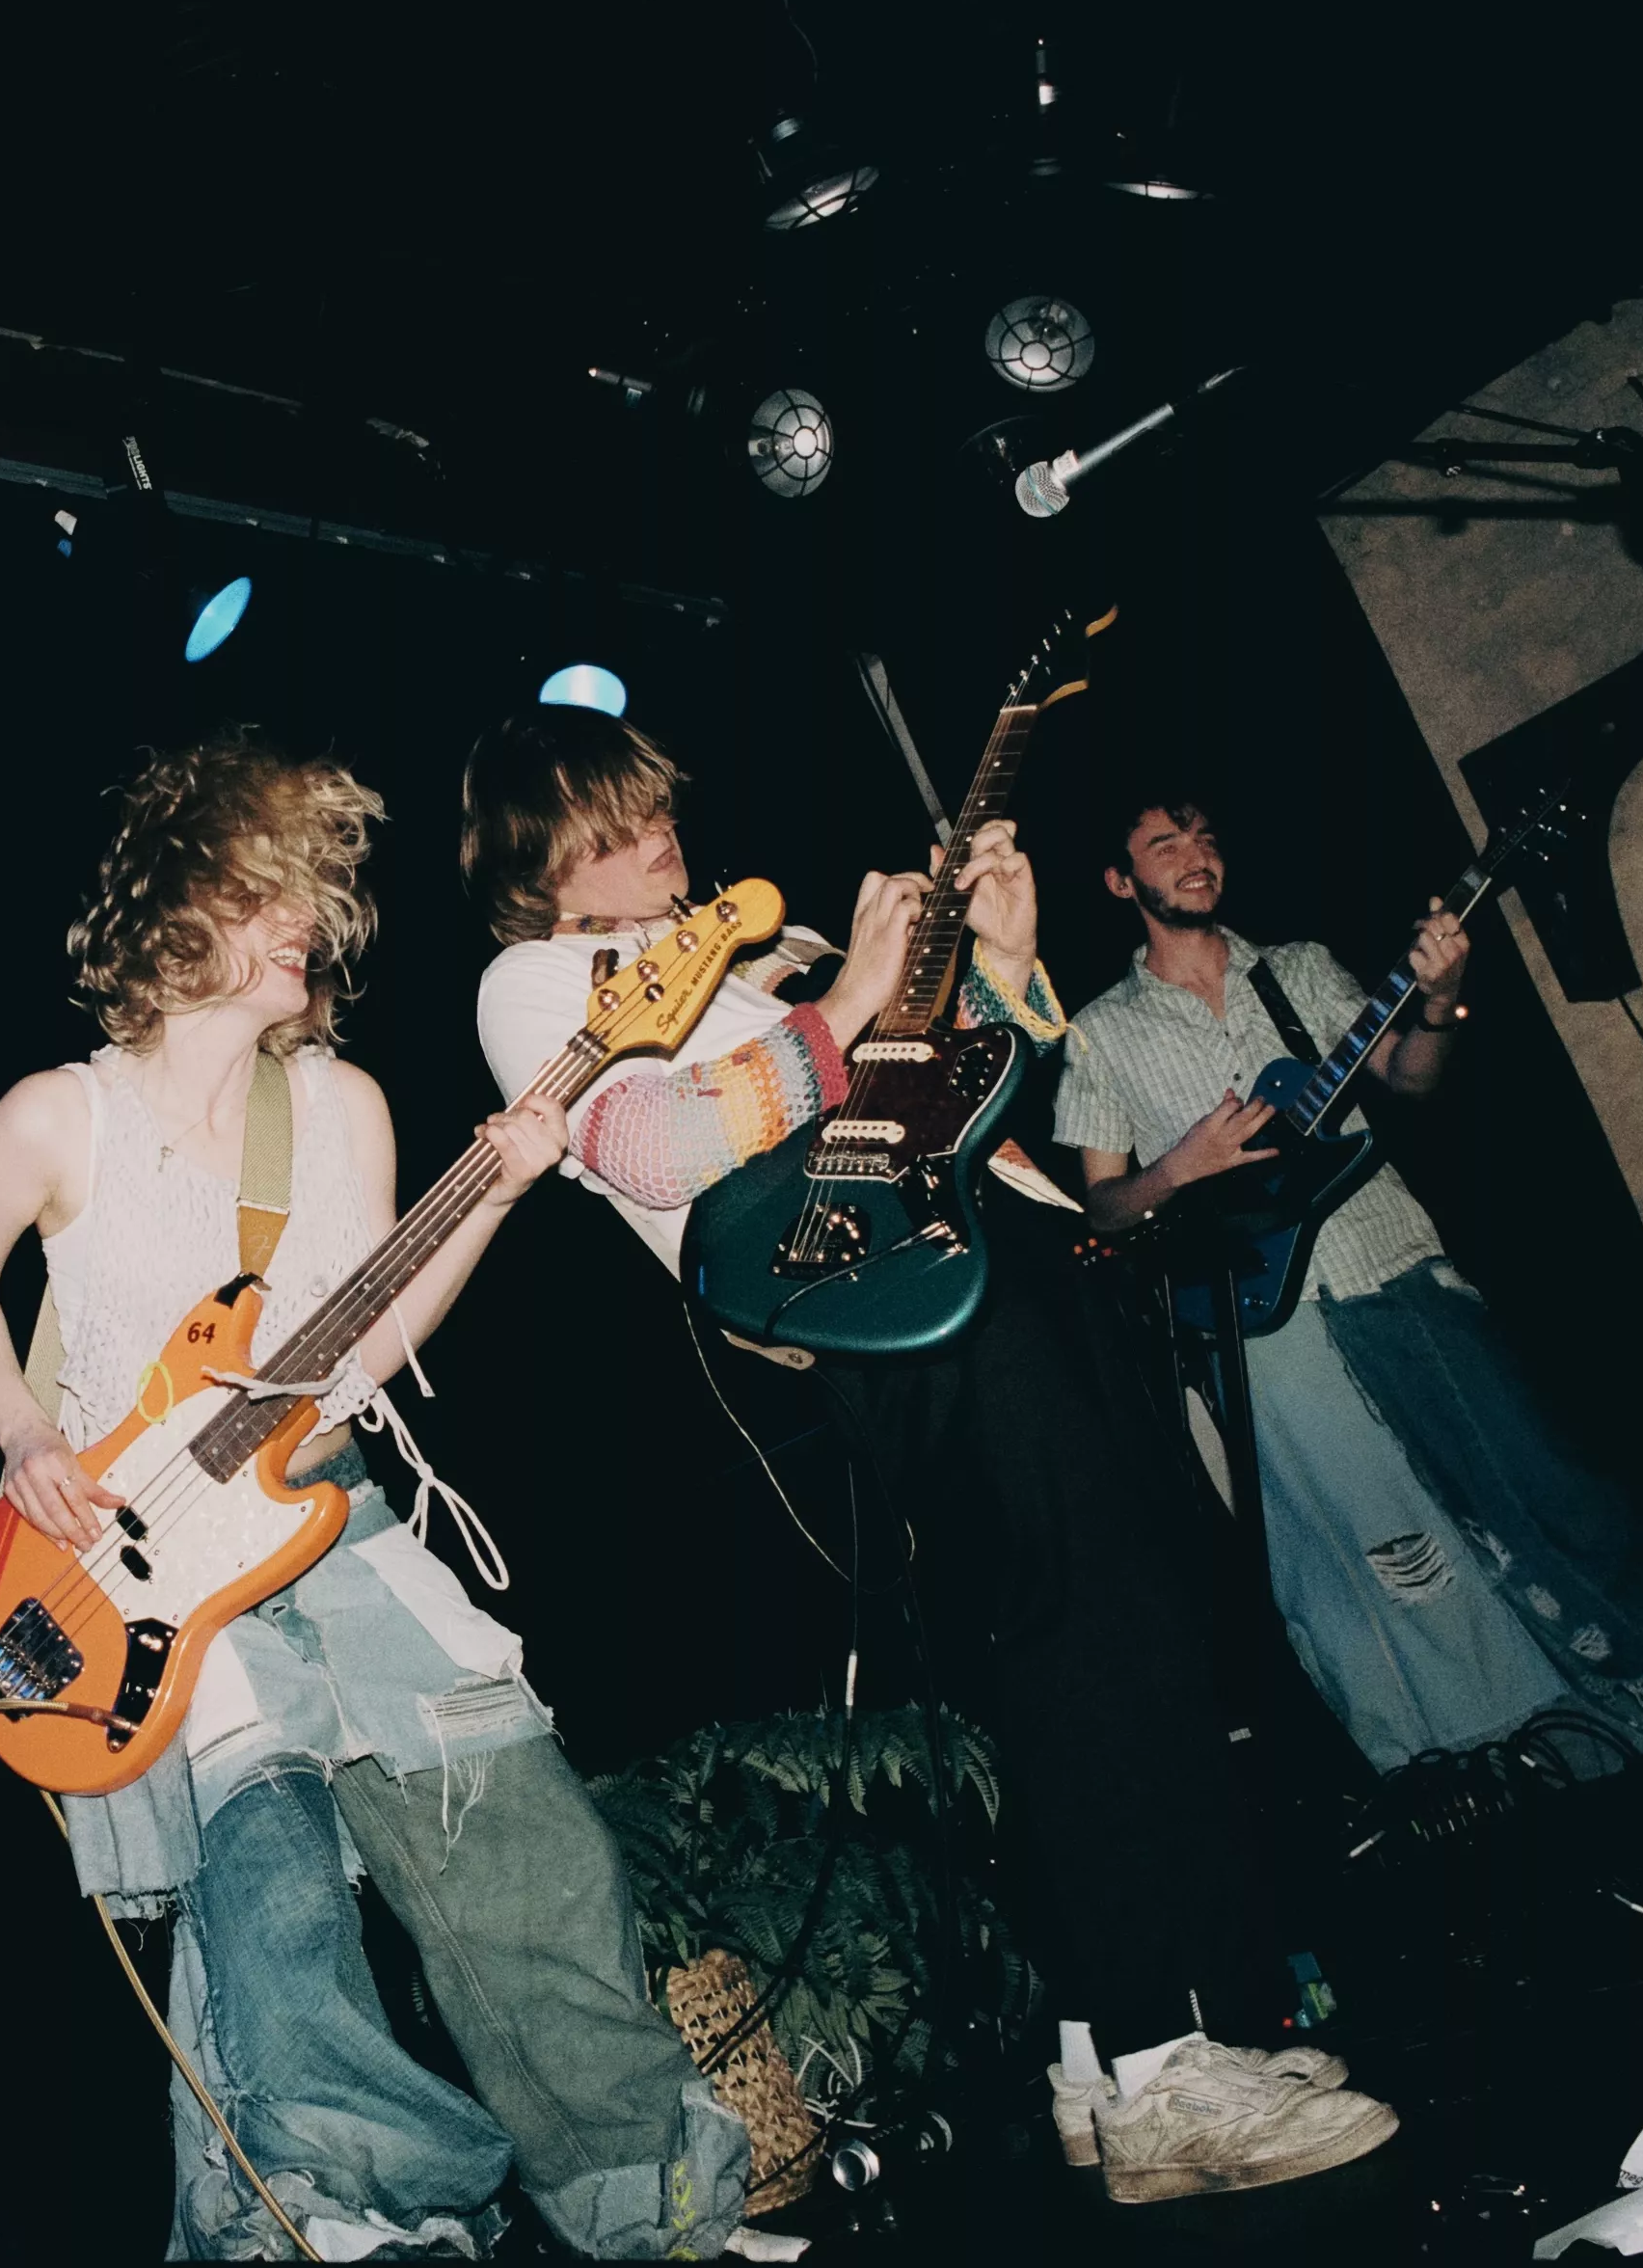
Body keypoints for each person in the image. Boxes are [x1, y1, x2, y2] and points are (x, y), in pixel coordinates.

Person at [464, 706, 1398, 2205]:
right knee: (1082, 1638)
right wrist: (847, 999)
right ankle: (1163, 2070)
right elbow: (650, 1149)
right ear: (542, 853)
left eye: (656, 802)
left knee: (1131, 1629)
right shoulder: (536, 983)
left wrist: (1004, 967)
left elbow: (959, 1089)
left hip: (1011, 1258)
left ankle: (1110, 2053)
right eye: (617, 821)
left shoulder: (742, 962)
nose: (660, 831)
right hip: (896, 1317)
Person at [0, 740, 763, 2258]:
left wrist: (498, 1192)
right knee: (278, 1893)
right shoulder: (57, 1116)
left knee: (528, 1843)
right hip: (144, 1561)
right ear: (180, 900)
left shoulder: (344, 1106)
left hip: (336, 1513)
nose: (304, 917)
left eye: (314, 889)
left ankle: (644, 2199)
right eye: (270, 887)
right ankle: (339, 2210)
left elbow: (366, 1341)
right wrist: (19, 1434)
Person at [1057, 796, 1643, 1834]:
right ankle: (1500, 1795)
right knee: (1388, 1564)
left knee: (1545, 1497)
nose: (1196, 856)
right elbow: (1102, 1208)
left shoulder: (1299, 969)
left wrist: (1439, 1000)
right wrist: (1180, 1166)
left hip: (1393, 1265)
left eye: (1205, 836)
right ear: (1122, 882)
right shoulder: (1100, 1032)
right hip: (1268, 1329)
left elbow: (1409, 1079)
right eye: (1164, 845)